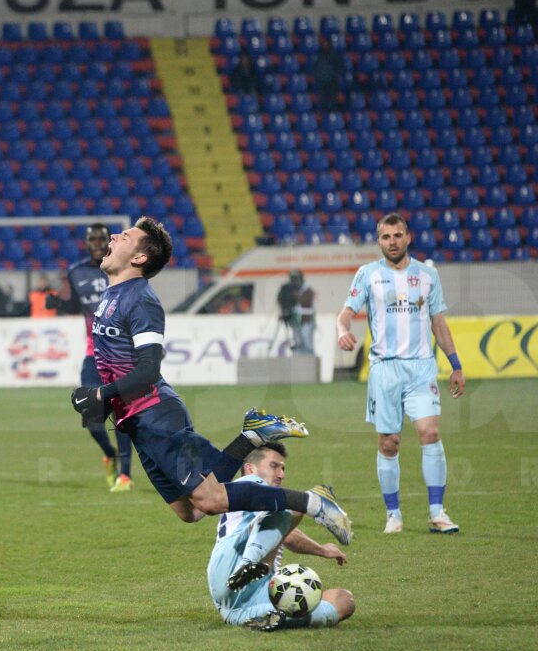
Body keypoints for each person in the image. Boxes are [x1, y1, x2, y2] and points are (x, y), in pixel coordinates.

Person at [70, 216, 353, 540]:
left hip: (156, 417)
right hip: (136, 425)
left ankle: (315, 502)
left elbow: (148, 371)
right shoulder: (110, 296)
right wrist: (104, 401)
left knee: (212, 499)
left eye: (125, 236)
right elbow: (117, 363)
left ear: (139, 258)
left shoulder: (141, 300)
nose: (115, 235)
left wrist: (101, 396)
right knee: (191, 511)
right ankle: (251, 437)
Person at [335, 212, 466, 535]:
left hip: (421, 367)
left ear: (408, 237)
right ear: (379, 241)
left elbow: (439, 322)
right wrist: (342, 330)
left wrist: (456, 364)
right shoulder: (367, 274)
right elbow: (346, 313)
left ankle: (437, 512)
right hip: (385, 370)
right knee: (389, 443)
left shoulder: (427, 275)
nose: (392, 242)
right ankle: (393, 514)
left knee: (430, 433)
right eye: (385, 237)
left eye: (397, 235)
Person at [209, 443, 356, 631]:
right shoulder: (246, 486)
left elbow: (285, 533)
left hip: (239, 605)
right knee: (291, 504)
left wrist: (322, 550)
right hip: (230, 565)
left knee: (344, 601)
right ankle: (248, 564)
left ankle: (276, 616)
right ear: (250, 468)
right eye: (274, 466)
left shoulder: (267, 507)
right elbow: (287, 525)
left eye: (283, 468)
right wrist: (320, 548)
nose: (281, 474)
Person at [48, 223, 135, 492]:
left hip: (122, 353)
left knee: (122, 415)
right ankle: (108, 454)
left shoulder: (125, 268)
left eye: (101, 238)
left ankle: (125, 475)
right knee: (90, 415)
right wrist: (58, 304)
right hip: (93, 353)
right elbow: (76, 305)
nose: (97, 242)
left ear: (108, 241)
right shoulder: (76, 272)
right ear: (87, 243)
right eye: (92, 239)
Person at [312, 37, 345, 113]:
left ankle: (332, 116)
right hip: (321, 82)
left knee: (332, 102)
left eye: (326, 44)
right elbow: (315, 68)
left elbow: (340, 68)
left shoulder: (335, 55)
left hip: (332, 83)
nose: (325, 45)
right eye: (323, 44)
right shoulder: (318, 56)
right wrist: (318, 77)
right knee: (322, 101)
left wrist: (334, 76)